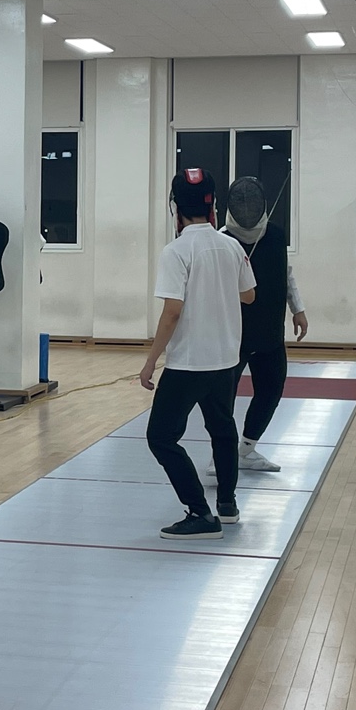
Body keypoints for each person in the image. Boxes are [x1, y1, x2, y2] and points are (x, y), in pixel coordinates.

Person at [138, 168, 256, 540]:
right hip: (225, 360)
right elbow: (249, 295)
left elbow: (172, 312)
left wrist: (150, 361)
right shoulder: (231, 246)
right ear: (213, 206)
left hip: (188, 364)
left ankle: (200, 513)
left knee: (161, 437)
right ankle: (227, 505)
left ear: (175, 208)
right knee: (222, 430)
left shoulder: (176, 251)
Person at [216, 176, 309, 474]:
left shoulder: (276, 235)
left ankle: (246, 450)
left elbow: (285, 274)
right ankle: (220, 455)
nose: (247, 209)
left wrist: (298, 309)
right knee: (222, 399)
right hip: (232, 335)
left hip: (270, 331)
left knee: (271, 389)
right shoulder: (221, 240)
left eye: (252, 203)